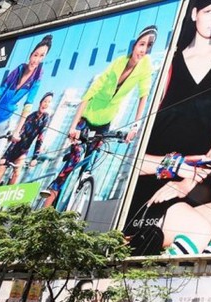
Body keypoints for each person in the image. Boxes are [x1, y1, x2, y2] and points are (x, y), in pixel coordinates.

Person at [126, 0, 211, 256]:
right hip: (150, 176)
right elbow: (128, 150)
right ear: (194, 13)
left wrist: (188, 180)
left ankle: (176, 277)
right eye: (209, 10)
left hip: (195, 176)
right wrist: (171, 169)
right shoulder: (167, 62)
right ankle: (152, 278)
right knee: (197, 229)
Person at [41, 26, 155, 207]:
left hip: (104, 123)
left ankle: (73, 207)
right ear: (134, 45)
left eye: (148, 46)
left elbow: (144, 94)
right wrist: (73, 126)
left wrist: (135, 126)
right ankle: (46, 207)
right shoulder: (118, 63)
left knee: (89, 165)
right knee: (73, 161)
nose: (144, 50)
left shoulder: (145, 65)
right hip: (86, 119)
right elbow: (89, 94)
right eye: (142, 44)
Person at [0, 35, 50, 166]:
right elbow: (0, 90)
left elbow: (28, 105)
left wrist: (17, 131)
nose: (36, 59)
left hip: (4, 121)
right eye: (35, 55)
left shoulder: (37, 78)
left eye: (41, 56)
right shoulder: (19, 69)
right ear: (30, 55)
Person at [0, 91, 50, 187]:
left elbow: (40, 138)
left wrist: (35, 157)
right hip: (14, 147)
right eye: (45, 101)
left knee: (17, 173)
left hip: (23, 150)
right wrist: (6, 154)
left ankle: (9, 193)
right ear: (40, 102)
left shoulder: (46, 118)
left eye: (49, 102)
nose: (46, 104)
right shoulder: (31, 116)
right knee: (0, 168)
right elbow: (20, 132)